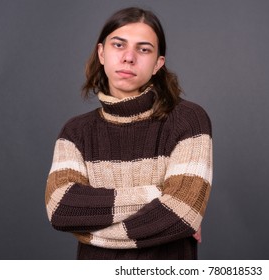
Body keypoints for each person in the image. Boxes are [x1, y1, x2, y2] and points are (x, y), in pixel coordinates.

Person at [44, 7, 213, 260]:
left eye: (143, 49)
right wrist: (158, 194)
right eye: (118, 45)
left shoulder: (188, 120)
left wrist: (88, 230)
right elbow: (61, 208)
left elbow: (183, 213)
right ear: (102, 53)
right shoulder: (75, 132)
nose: (129, 57)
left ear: (158, 64)